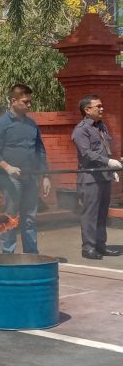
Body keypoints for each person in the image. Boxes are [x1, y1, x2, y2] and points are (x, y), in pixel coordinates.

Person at [0, 83, 51, 254]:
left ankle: (31, 255)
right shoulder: (0, 124)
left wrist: (45, 176)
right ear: (13, 101)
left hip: (30, 177)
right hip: (10, 179)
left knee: (30, 218)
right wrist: (7, 167)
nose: (29, 105)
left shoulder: (32, 124)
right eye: (25, 101)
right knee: (10, 218)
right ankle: (8, 256)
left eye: (30, 101)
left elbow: (40, 150)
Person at [71, 95, 122, 260]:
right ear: (87, 110)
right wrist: (108, 161)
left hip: (103, 176)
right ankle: (88, 248)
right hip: (90, 177)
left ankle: (101, 245)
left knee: (102, 213)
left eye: (102, 106)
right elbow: (86, 154)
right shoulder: (81, 130)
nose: (102, 109)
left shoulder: (101, 127)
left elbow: (105, 149)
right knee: (90, 214)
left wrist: (110, 167)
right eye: (98, 106)